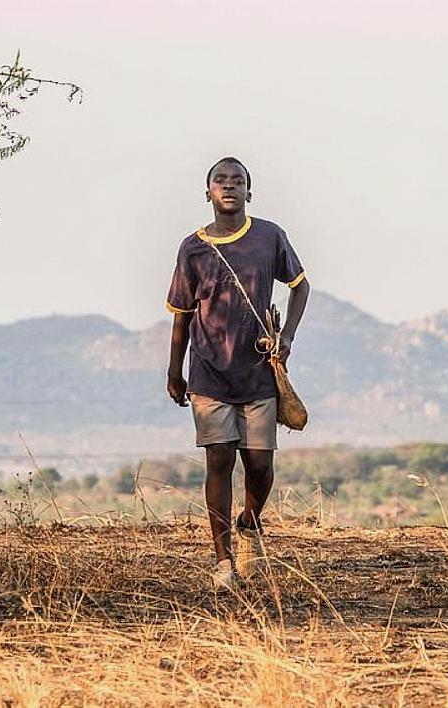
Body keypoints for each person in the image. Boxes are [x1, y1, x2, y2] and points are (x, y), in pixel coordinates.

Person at [164, 156, 311, 589]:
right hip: (208, 371)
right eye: (220, 180)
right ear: (207, 192)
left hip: (257, 370)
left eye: (237, 181)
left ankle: (250, 522)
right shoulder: (192, 247)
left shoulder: (269, 237)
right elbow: (182, 315)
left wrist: (289, 339)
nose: (228, 186)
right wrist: (175, 372)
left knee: (260, 463)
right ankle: (223, 560)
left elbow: (300, 286)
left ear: (250, 192)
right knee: (219, 458)